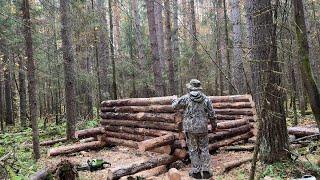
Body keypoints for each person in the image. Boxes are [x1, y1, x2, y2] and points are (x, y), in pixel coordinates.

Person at [172, 79, 216, 179]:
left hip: (190, 129)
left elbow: (174, 106)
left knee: (193, 150)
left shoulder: (186, 98)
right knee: (204, 149)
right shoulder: (206, 99)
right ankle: (206, 171)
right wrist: (214, 126)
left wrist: (174, 98)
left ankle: (196, 172)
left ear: (191, 87)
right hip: (202, 128)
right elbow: (212, 114)